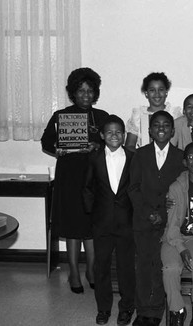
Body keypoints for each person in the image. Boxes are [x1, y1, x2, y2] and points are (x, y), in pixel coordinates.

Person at [41, 67, 109, 294]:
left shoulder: (102, 117)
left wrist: (97, 146)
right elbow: (46, 141)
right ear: (73, 92)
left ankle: (91, 270)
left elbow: (113, 142)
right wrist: (57, 148)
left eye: (90, 91)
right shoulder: (61, 115)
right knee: (72, 226)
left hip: (95, 178)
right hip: (69, 176)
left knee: (91, 226)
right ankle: (73, 271)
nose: (86, 95)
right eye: (81, 90)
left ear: (95, 92)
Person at [128, 110, 185, 326]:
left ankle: (158, 309)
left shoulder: (180, 157)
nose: (161, 128)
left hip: (169, 221)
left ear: (172, 131)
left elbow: (181, 190)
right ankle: (144, 310)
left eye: (166, 125)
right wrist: (148, 213)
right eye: (157, 125)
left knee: (162, 264)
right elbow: (133, 188)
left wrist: (162, 213)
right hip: (143, 220)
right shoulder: (140, 155)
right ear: (150, 131)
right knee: (144, 265)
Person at [82, 115, 135, 325]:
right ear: (103, 135)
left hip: (126, 222)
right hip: (102, 222)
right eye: (110, 132)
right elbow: (87, 188)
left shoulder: (132, 157)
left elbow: (137, 188)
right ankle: (103, 308)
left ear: (124, 135)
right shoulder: (94, 158)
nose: (114, 135)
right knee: (101, 267)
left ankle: (127, 307)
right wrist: (92, 215)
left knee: (126, 268)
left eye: (119, 132)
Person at [161, 142, 193, 326]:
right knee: (171, 269)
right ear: (185, 162)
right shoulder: (177, 187)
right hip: (174, 239)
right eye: (191, 157)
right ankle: (177, 311)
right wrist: (181, 249)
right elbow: (172, 224)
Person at [125, 72, 182, 150]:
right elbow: (129, 146)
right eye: (152, 90)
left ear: (166, 92)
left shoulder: (174, 114)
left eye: (161, 89)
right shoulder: (138, 116)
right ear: (146, 93)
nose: (157, 94)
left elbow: (180, 143)